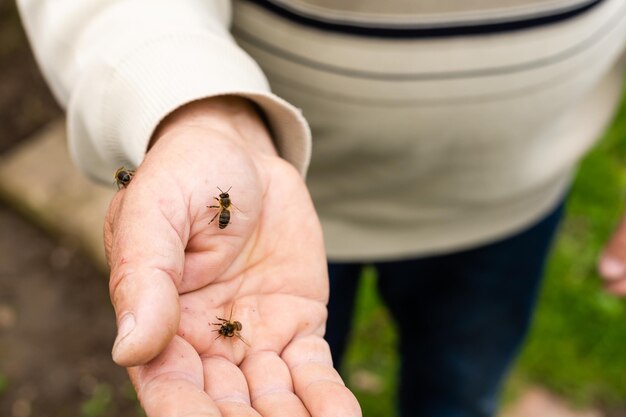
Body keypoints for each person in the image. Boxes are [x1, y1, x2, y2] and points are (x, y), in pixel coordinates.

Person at [16, 0, 626, 416]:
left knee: (460, 388)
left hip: (514, 201)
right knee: (289, 379)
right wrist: (195, 104)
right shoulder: (247, 244)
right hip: (278, 232)